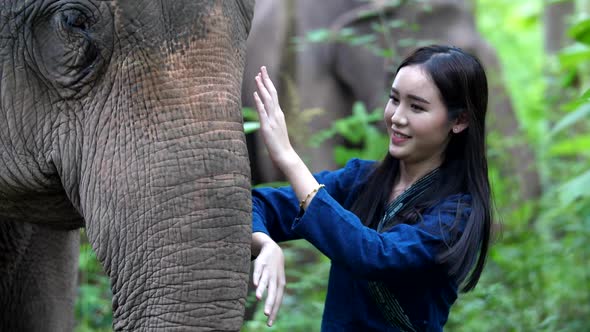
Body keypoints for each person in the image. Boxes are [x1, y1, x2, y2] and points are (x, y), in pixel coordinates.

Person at [250, 45, 493, 331]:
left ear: (459, 120)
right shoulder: (360, 179)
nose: (396, 117)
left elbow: (372, 255)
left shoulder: (457, 213)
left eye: (416, 107)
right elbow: (257, 203)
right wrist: (265, 242)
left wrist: (288, 158)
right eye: (394, 99)